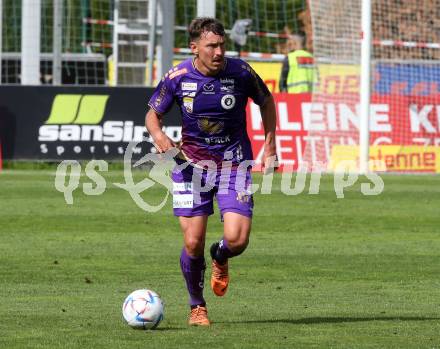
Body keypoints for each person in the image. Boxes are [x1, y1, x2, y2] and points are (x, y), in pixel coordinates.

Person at [145, 17, 277, 326]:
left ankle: (220, 256)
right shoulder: (177, 77)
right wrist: (160, 137)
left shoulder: (241, 72)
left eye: (222, 45)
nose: (219, 52)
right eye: (211, 46)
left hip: (234, 165)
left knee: (238, 239)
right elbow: (153, 114)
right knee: (193, 243)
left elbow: (267, 101)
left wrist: (270, 144)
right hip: (190, 167)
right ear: (195, 48)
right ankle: (197, 306)